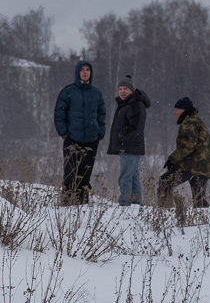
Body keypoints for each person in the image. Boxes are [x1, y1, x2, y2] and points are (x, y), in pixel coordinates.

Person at [53, 60, 106, 205]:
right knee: (70, 173)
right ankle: (67, 202)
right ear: (77, 72)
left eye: (87, 69)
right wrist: (64, 133)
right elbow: (59, 114)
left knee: (85, 175)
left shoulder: (96, 93)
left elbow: (102, 114)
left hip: (91, 140)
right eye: (82, 69)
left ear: (91, 72)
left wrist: (100, 132)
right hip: (72, 139)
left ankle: (82, 203)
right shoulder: (68, 91)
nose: (85, 72)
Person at [158, 96, 210, 208]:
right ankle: (208, 222)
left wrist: (172, 160)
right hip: (203, 167)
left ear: (184, 110)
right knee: (199, 201)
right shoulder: (197, 121)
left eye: (177, 109)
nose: (175, 113)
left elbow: (188, 146)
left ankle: (164, 213)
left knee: (164, 182)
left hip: (193, 167)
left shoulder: (189, 122)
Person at [106, 75, 150, 206]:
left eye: (125, 88)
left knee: (125, 176)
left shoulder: (135, 104)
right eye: (120, 89)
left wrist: (122, 137)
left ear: (131, 90)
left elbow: (136, 126)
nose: (122, 91)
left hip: (130, 146)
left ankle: (124, 202)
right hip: (129, 146)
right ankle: (136, 202)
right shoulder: (126, 104)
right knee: (133, 176)